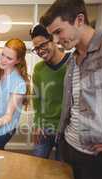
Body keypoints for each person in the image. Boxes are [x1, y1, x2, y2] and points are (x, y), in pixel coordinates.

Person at [40, 0, 102, 179]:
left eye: (59, 31)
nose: (57, 40)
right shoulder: (72, 62)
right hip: (70, 148)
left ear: (79, 20)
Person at [30, 24, 70, 160]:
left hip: (67, 129)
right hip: (45, 127)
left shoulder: (72, 63)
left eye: (42, 45)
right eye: (36, 49)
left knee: (62, 169)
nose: (40, 51)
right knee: (36, 165)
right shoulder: (39, 68)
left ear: (52, 39)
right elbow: (37, 99)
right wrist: (37, 123)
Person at [0, 38, 30, 150]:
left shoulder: (18, 83)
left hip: (3, 129)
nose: (3, 60)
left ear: (18, 61)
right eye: (3, 54)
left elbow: (9, 115)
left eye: (9, 58)